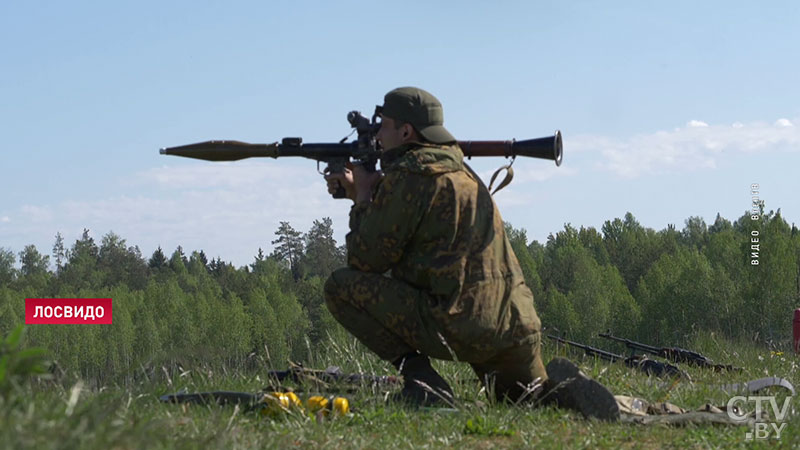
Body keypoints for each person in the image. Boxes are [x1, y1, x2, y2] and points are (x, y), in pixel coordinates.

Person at [323, 87, 619, 420]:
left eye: (384, 125)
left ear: (405, 131)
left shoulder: (409, 176)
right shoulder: (463, 173)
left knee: (340, 287)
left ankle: (423, 382)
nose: (378, 134)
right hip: (514, 326)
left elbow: (365, 260)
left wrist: (361, 196)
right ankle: (579, 397)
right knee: (527, 403)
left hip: (461, 327)